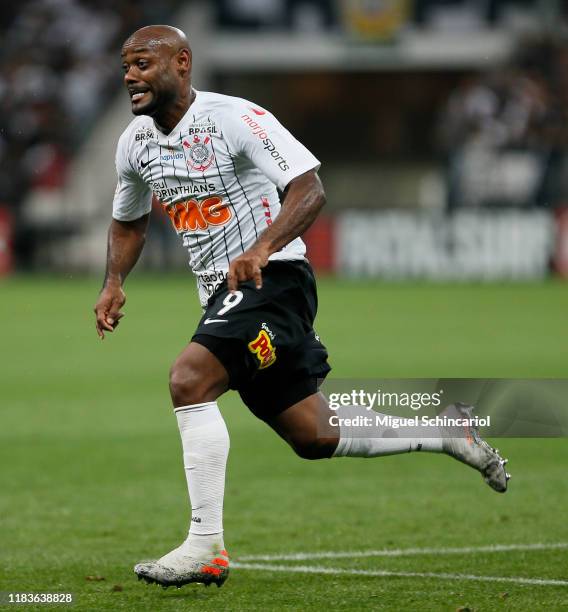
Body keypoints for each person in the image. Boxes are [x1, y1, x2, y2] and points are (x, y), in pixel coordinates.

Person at [94, 25, 510, 590]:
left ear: (182, 64)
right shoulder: (134, 144)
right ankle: (445, 431)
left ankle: (204, 546)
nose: (129, 77)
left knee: (188, 380)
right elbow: (129, 220)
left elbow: (309, 188)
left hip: (276, 280)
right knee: (313, 434)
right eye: (126, 67)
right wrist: (114, 280)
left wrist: (261, 247)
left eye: (143, 64)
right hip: (226, 297)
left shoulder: (235, 118)